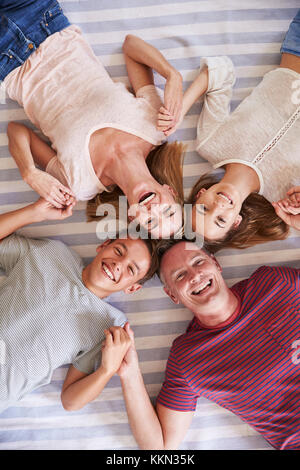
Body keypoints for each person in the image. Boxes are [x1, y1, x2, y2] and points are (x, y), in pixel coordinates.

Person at [1, 0, 184, 238]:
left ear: (132, 217)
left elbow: (17, 131)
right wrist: (172, 76)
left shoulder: (79, 184)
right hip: (42, 19)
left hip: (7, 63)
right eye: (168, 212)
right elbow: (131, 46)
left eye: (151, 222)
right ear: (169, 191)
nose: (155, 210)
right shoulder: (155, 127)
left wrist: (30, 173)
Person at [117, 239, 300, 450]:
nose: (195, 276)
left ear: (216, 264)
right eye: (180, 275)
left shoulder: (272, 283)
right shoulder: (188, 357)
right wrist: (130, 375)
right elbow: (160, 446)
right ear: (172, 294)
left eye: (198, 262)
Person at [0, 199, 158, 413]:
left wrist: (107, 369)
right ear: (103, 246)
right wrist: (35, 212)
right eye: (119, 251)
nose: (118, 264)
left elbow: (70, 401)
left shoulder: (109, 326)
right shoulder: (51, 252)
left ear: (132, 288)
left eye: (131, 270)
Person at [159, 10, 300, 248]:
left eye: (204, 209)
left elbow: (220, 72)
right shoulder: (284, 199)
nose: (218, 206)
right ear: (236, 222)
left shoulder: (211, 143)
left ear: (200, 193)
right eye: (221, 219)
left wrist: (180, 109)